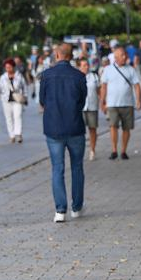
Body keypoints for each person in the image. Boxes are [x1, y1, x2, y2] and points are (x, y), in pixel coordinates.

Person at [40, 44, 87, 222]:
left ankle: (60, 210)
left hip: (53, 128)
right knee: (77, 167)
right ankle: (77, 207)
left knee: (57, 168)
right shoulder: (79, 76)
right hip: (75, 126)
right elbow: (82, 101)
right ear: (71, 56)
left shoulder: (46, 75)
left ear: (57, 54)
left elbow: (42, 100)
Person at [100, 45, 141, 160]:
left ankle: (123, 151)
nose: (125, 57)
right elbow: (103, 86)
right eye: (122, 55)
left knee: (126, 128)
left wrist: (138, 100)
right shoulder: (108, 69)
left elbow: (137, 86)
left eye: (125, 55)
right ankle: (114, 150)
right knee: (113, 126)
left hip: (127, 103)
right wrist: (102, 102)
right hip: (112, 104)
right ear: (116, 57)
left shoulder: (130, 69)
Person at [0, 58, 28, 143]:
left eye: (10, 67)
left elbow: (24, 86)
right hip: (6, 100)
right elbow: (0, 88)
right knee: (8, 118)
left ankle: (18, 134)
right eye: (6, 67)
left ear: (13, 67)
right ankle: (12, 135)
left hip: (17, 99)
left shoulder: (19, 75)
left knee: (18, 116)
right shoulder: (3, 77)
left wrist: (25, 96)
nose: (8, 69)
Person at [78, 58, 100, 160]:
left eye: (87, 65)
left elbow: (99, 90)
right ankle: (80, 151)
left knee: (92, 129)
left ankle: (92, 150)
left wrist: (103, 102)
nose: (86, 67)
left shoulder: (94, 76)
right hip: (80, 108)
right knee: (79, 131)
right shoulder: (76, 77)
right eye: (83, 65)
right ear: (79, 67)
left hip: (92, 106)